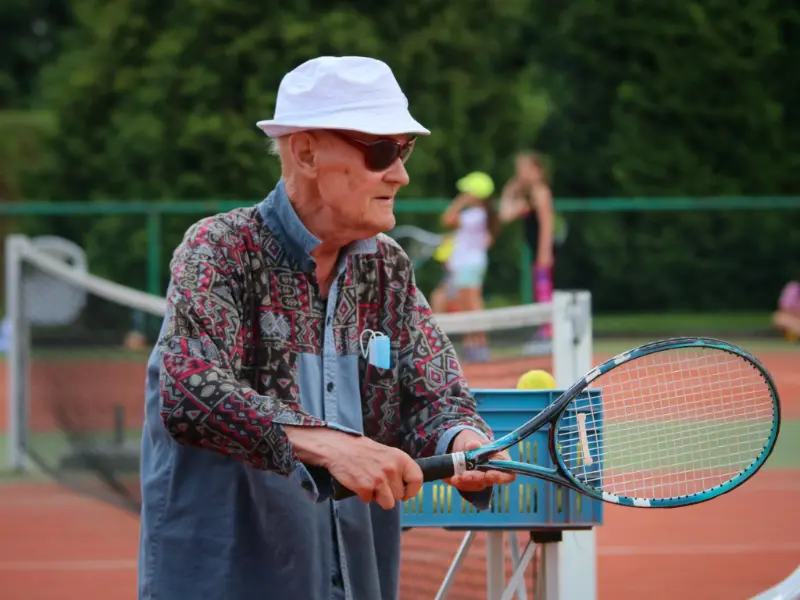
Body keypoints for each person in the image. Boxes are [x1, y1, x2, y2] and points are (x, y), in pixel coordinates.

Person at [137, 56, 514, 600]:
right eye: (380, 150)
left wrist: (464, 438)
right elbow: (189, 392)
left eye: (403, 149)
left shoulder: (387, 266)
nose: (401, 173)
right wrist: (330, 445)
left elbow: (434, 396)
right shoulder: (219, 248)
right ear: (307, 152)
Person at [438, 172, 499, 361]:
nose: (463, 194)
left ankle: (479, 345)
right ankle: (474, 345)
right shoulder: (481, 216)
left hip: (468, 266)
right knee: (468, 305)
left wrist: (459, 202)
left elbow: (447, 219)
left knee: (471, 305)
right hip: (468, 265)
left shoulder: (475, 215)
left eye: (467, 191)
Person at [500, 151, 556, 341]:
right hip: (535, 250)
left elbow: (547, 223)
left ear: (537, 170)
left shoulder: (541, 192)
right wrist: (509, 191)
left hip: (544, 251)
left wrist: (544, 253)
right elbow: (505, 215)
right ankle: (546, 327)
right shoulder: (527, 197)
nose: (520, 174)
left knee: (544, 289)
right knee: (540, 289)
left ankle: (549, 330)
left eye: (524, 169)